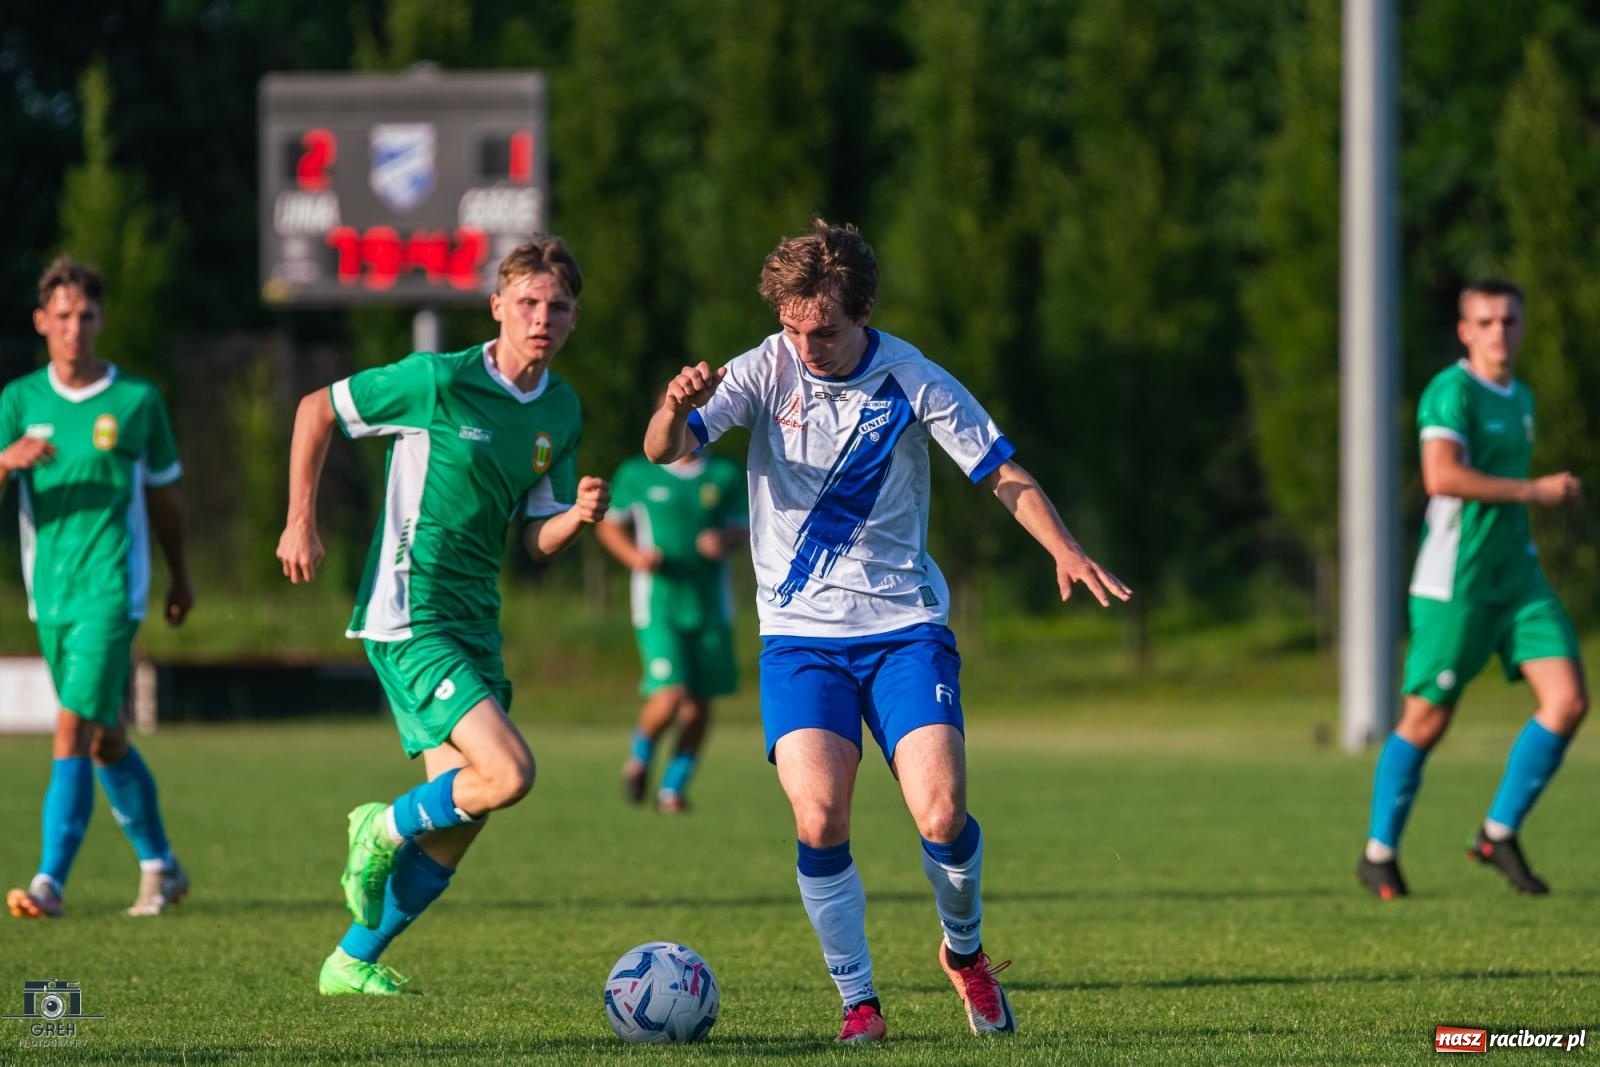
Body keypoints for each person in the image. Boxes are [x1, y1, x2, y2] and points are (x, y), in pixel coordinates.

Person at [643, 218, 1131, 1044]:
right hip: (799, 638)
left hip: (904, 628)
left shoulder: (913, 378)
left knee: (941, 815)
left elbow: (1001, 471)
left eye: (824, 331)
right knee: (819, 818)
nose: (806, 346)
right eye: (793, 327)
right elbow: (662, 449)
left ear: (863, 311)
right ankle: (858, 1001)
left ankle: (964, 951)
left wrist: (1065, 548)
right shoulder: (764, 366)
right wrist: (671, 406)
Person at [275, 236, 610, 996]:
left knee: (465, 814)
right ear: (496, 306)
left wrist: (578, 516)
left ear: (573, 318)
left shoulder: (560, 409)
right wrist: (300, 521)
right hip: (410, 608)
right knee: (511, 773)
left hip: (476, 620)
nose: (542, 318)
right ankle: (378, 826)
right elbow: (315, 409)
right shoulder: (438, 380)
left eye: (558, 306)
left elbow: (537, 535)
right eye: (527, 302)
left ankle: (350, 960)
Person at [1357, 279, 1587, 900]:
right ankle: (1378, 854)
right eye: (1485, 322)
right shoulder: (1451, 391)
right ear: (1464, 331)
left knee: (1568, 701)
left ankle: (1497, 833)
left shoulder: (1521, 396)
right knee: (1427, 719)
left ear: (1522, 326)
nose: (1498, 332)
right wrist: (1536, 492)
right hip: (1456, 583)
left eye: (1508, 320)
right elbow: (1441, 476)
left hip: (1519, 579)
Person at [3, 255, 194, 920]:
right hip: (50, 595)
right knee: (103, 739)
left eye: (85, 316)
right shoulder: (19, 401)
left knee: (69, 728)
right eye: (62, 316)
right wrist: (5, 461)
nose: (74, 328)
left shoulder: (137, 400)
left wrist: (180, 575)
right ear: (41, 322)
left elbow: (165, 498)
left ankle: (49, 882)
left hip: (113, 591)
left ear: (102, 320)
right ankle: (162, 866)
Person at [595, 441, 747, 813]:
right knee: (670, 694)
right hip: (658, 603)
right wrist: (635, 557)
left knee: (700, 702)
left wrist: (724, 541)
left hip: (711, 605)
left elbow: (745, 528)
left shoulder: (724, 474)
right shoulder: (638, 472)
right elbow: (610, 525)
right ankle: (639, 758)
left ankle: (672, 789)